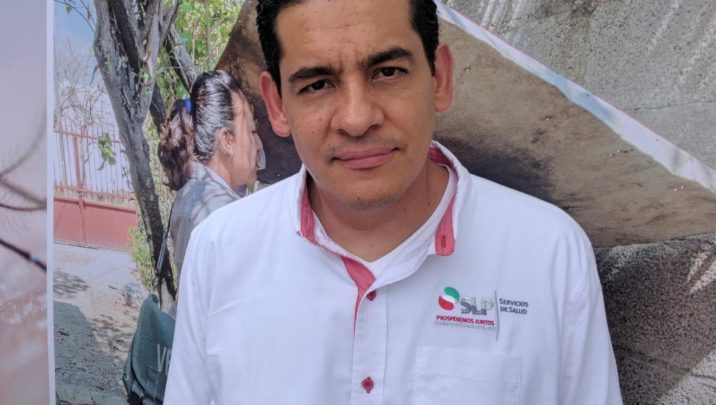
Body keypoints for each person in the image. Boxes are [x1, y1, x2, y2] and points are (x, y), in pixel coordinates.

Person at [165, 0, 622, 404]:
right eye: (318, 84)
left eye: (387, 72)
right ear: (278, 105)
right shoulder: (219, 254)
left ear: (439, 79)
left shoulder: (549, 256)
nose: (357, 118)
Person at [158, 70, 263, 301]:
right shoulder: (220, 212)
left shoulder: (196, 194)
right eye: (252, 131)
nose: (258, 144)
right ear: (228, 140)